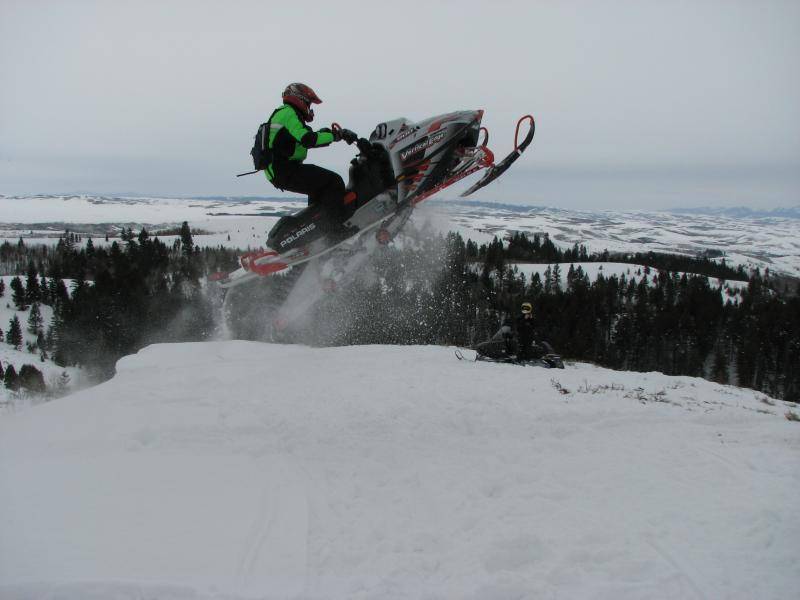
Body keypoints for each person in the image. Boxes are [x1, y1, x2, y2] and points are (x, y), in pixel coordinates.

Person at [263, 83, 358, 228]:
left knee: (320, 191)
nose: (310, 108)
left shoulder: (286, 114)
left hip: (280, 169)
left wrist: (329, 134)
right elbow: (308, 139)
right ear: (299, 99)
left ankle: (315, 232)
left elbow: (304, 138)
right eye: (309, 103)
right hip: (283, 169)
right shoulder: (289, 113)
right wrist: (335, 135)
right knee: (334, 182)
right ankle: (335, 231)